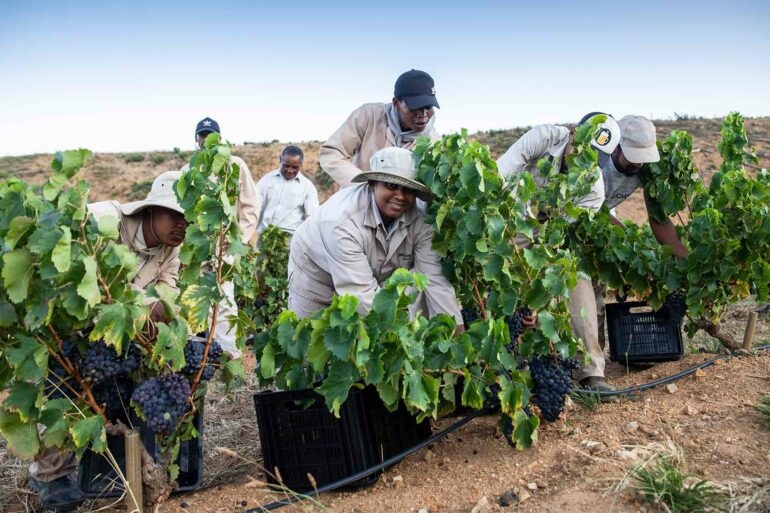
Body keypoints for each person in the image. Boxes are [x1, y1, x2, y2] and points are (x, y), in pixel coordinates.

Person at [29, 171, 189, 512]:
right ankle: (51, 476)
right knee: (63, 386)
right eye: (175, 215)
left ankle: (131, 462)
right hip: (67, 319)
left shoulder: (171, 250)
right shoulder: (104, 219)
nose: (182, 226)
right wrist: (148, 306)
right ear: (150, 210)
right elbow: (77, 269)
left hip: (115, 330)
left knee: (130, 381)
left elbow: (168, 292)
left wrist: (169, 324)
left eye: (188, 220)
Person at [496, 115, 622, 393]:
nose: (584, 161)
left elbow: (554, 240)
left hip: (552, 235)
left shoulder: (593, 189)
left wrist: (544, 298)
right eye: (581, 150)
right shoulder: (543, 138)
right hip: (512, 222)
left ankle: (592, 372)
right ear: (572, 134)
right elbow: (499, 176)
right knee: (501, 281)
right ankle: (504, 366)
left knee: (575, 279)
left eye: (594, 158)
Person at [288, 147, 463, 326]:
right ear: (372, 184)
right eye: (391, 185)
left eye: (408, 189)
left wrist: (455, 328)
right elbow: (361, 294)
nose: (400, 196)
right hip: (316, 276)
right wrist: (402, 336)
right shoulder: (342, 222)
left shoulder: (420, 218)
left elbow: (433, 277)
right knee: (314, 339)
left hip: (368, 276)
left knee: (369, 338)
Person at [183, 117, 261, 357]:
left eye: (210, 136)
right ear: (196, 139)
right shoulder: (189, 170)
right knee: (195, 297)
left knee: (225, 298)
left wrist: (241, 241)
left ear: (219, 138)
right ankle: (201, 356)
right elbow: (184, 208)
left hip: (225, 244)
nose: (206, 140)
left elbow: (251, 205)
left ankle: (228, 355)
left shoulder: (235, 164)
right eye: (202, 135)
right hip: (198, 245)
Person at [320, 69, 441, 187]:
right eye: (415, 106)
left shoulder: (434, 142)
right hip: (358, 203)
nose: (423, 114)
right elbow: (332, 153)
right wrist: (364, 187)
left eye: (428, 107)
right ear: (396, 103)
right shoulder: (369, 115)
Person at [255, 145, 319, 235]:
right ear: (280, 160)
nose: (290, 170)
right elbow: (255, 206)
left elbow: (311, 216)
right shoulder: (266, 181)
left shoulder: (307, 187)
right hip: (265, 236)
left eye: (295, 167)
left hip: (290, 240)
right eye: (286, 166)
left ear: (301, 165)